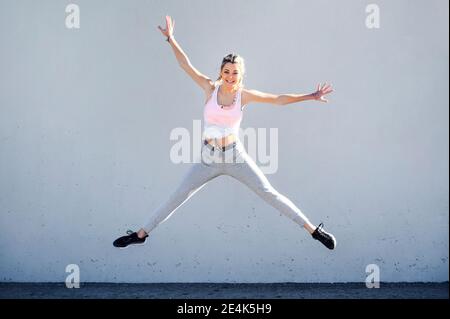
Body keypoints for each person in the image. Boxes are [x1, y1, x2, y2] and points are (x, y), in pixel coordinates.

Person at [113, 16, 336, 250]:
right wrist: (171, 39)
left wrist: (310, 96)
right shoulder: (210, 88)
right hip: (208, 158)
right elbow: (185, 65)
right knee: (178, 195)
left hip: (235, 156)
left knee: (269, 193)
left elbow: (278, 100)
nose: (230, 76)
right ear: (221, 71)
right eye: (227, 71)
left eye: (235, 73)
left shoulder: (244, 95)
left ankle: (313, 230)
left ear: (241, 75)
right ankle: (140, 234)